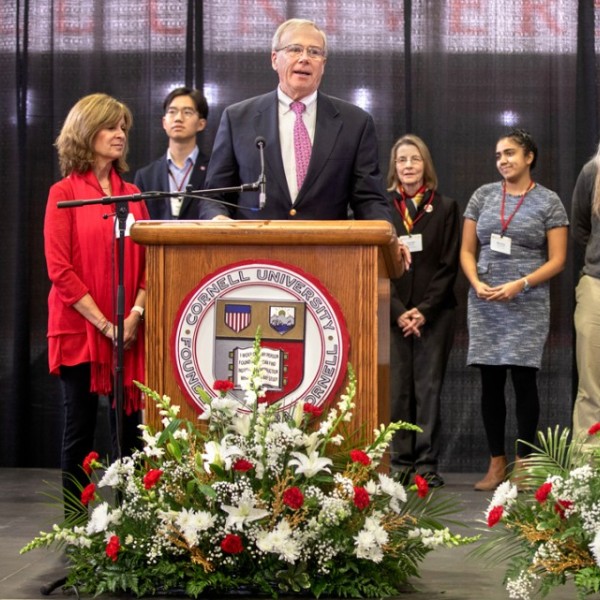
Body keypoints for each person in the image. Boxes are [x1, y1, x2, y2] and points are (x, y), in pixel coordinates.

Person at [44, 93, 149, 517]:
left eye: (123, 127)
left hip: (130, 328)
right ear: (86, 133)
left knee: (130, 430)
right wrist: (107, 324)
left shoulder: (134, 193)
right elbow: (60, 270)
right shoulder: (64, 193)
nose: (120, 134)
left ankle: (134, 518)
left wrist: (134, 316)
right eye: (110, 127)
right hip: (80, 328)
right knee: (79, 429)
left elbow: (149, 268)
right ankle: (75, 520)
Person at [200, 18, 393, 222]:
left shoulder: (355, 123)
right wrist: (217, 219)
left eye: (314, 52)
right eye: (295, 49)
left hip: (328, 250)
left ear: (323, 65)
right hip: (258, 248)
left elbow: (369, 200)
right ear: (274, 59)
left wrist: (387, 236)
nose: (304, 58)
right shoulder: (238, 118)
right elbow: (214, 195)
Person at [460, 128, 568, 491]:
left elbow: (558, 260)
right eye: (498, 156)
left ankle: (524, 464)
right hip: (486, 299)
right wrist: (476, 284)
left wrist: (520, 284)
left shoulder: (549, 201)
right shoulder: (483, 196)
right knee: (490, 383)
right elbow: (466, 251)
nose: (503, 160)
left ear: (529, 157)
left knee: (524, 382)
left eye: (509, 153)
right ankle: (496, 465)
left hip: (527, 301)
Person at [387, 135, 460, 488]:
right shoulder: (382, 208)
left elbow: (448, 266)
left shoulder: (445, 207)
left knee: (428, 388)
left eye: (414, 159)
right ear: (394, 167)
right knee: (398, 388)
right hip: (391, 312)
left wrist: (423, 311)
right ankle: (399, 463)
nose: (408, 166)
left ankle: (426, 464)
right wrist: (399, 311)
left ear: (425, 164)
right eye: (402, 160)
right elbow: (373, 267)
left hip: (434, 314)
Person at [134, 87, 209, 219]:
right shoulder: (146, 176)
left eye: (187, 112)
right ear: (164, 122)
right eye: (172, 112)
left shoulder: (213, 171)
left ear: (201, 124)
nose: (178, 118)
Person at [571, 143, 600, 452]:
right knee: (592, 385)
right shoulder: (592, 171)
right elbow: (581, 228)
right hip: (596, 285)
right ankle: (589, 474)